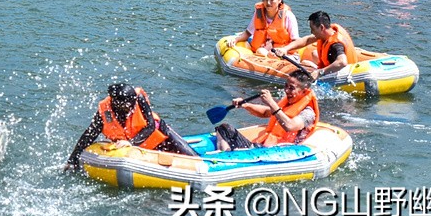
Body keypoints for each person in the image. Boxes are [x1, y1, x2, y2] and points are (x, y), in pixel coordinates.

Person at [65, 82, 200, 170]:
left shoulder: (137, 99)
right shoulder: (104, 113)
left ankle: (219, 135)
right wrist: (73, 159)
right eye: (127, 104)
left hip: (161, 136)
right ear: (115, 102)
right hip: (138, 150)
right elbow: (89, 135)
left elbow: (151, 126)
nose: (131, 107)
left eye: (132, 103)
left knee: (195, 159)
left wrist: (130, 142)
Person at [213, 68, 318, 150]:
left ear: (304, 91)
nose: (286, 90)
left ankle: (225, 157)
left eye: (291, 88)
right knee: (224, 129)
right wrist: (246, 105)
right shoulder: (289, 102)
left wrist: (271, 102)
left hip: (282, 150)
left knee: (225, 130)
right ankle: (224, 154)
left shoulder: (308, 113)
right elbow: (266, 112)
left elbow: (289, 126)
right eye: (286, 86)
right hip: (267, 146)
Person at [273, 11, 359, 81]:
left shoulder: (336, 45)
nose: (311, 32)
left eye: (313, 29)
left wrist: (319, 72)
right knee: (309, 58)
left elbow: (342, 62)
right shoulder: (328, 32)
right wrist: (285, 49)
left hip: (345, 76)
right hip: (331, 66)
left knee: (306, 65)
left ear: (321, 27)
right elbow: (306, 40)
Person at [232, 0, 299, 57]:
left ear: (279, 0)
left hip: (282, 52)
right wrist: (236, 40)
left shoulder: (288, 16)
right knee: (260, 51)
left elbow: (295, 41)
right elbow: (248, 32)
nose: (268, 3)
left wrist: (284, 50)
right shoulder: (259, 13)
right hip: (262, 51)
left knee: (261, 51)